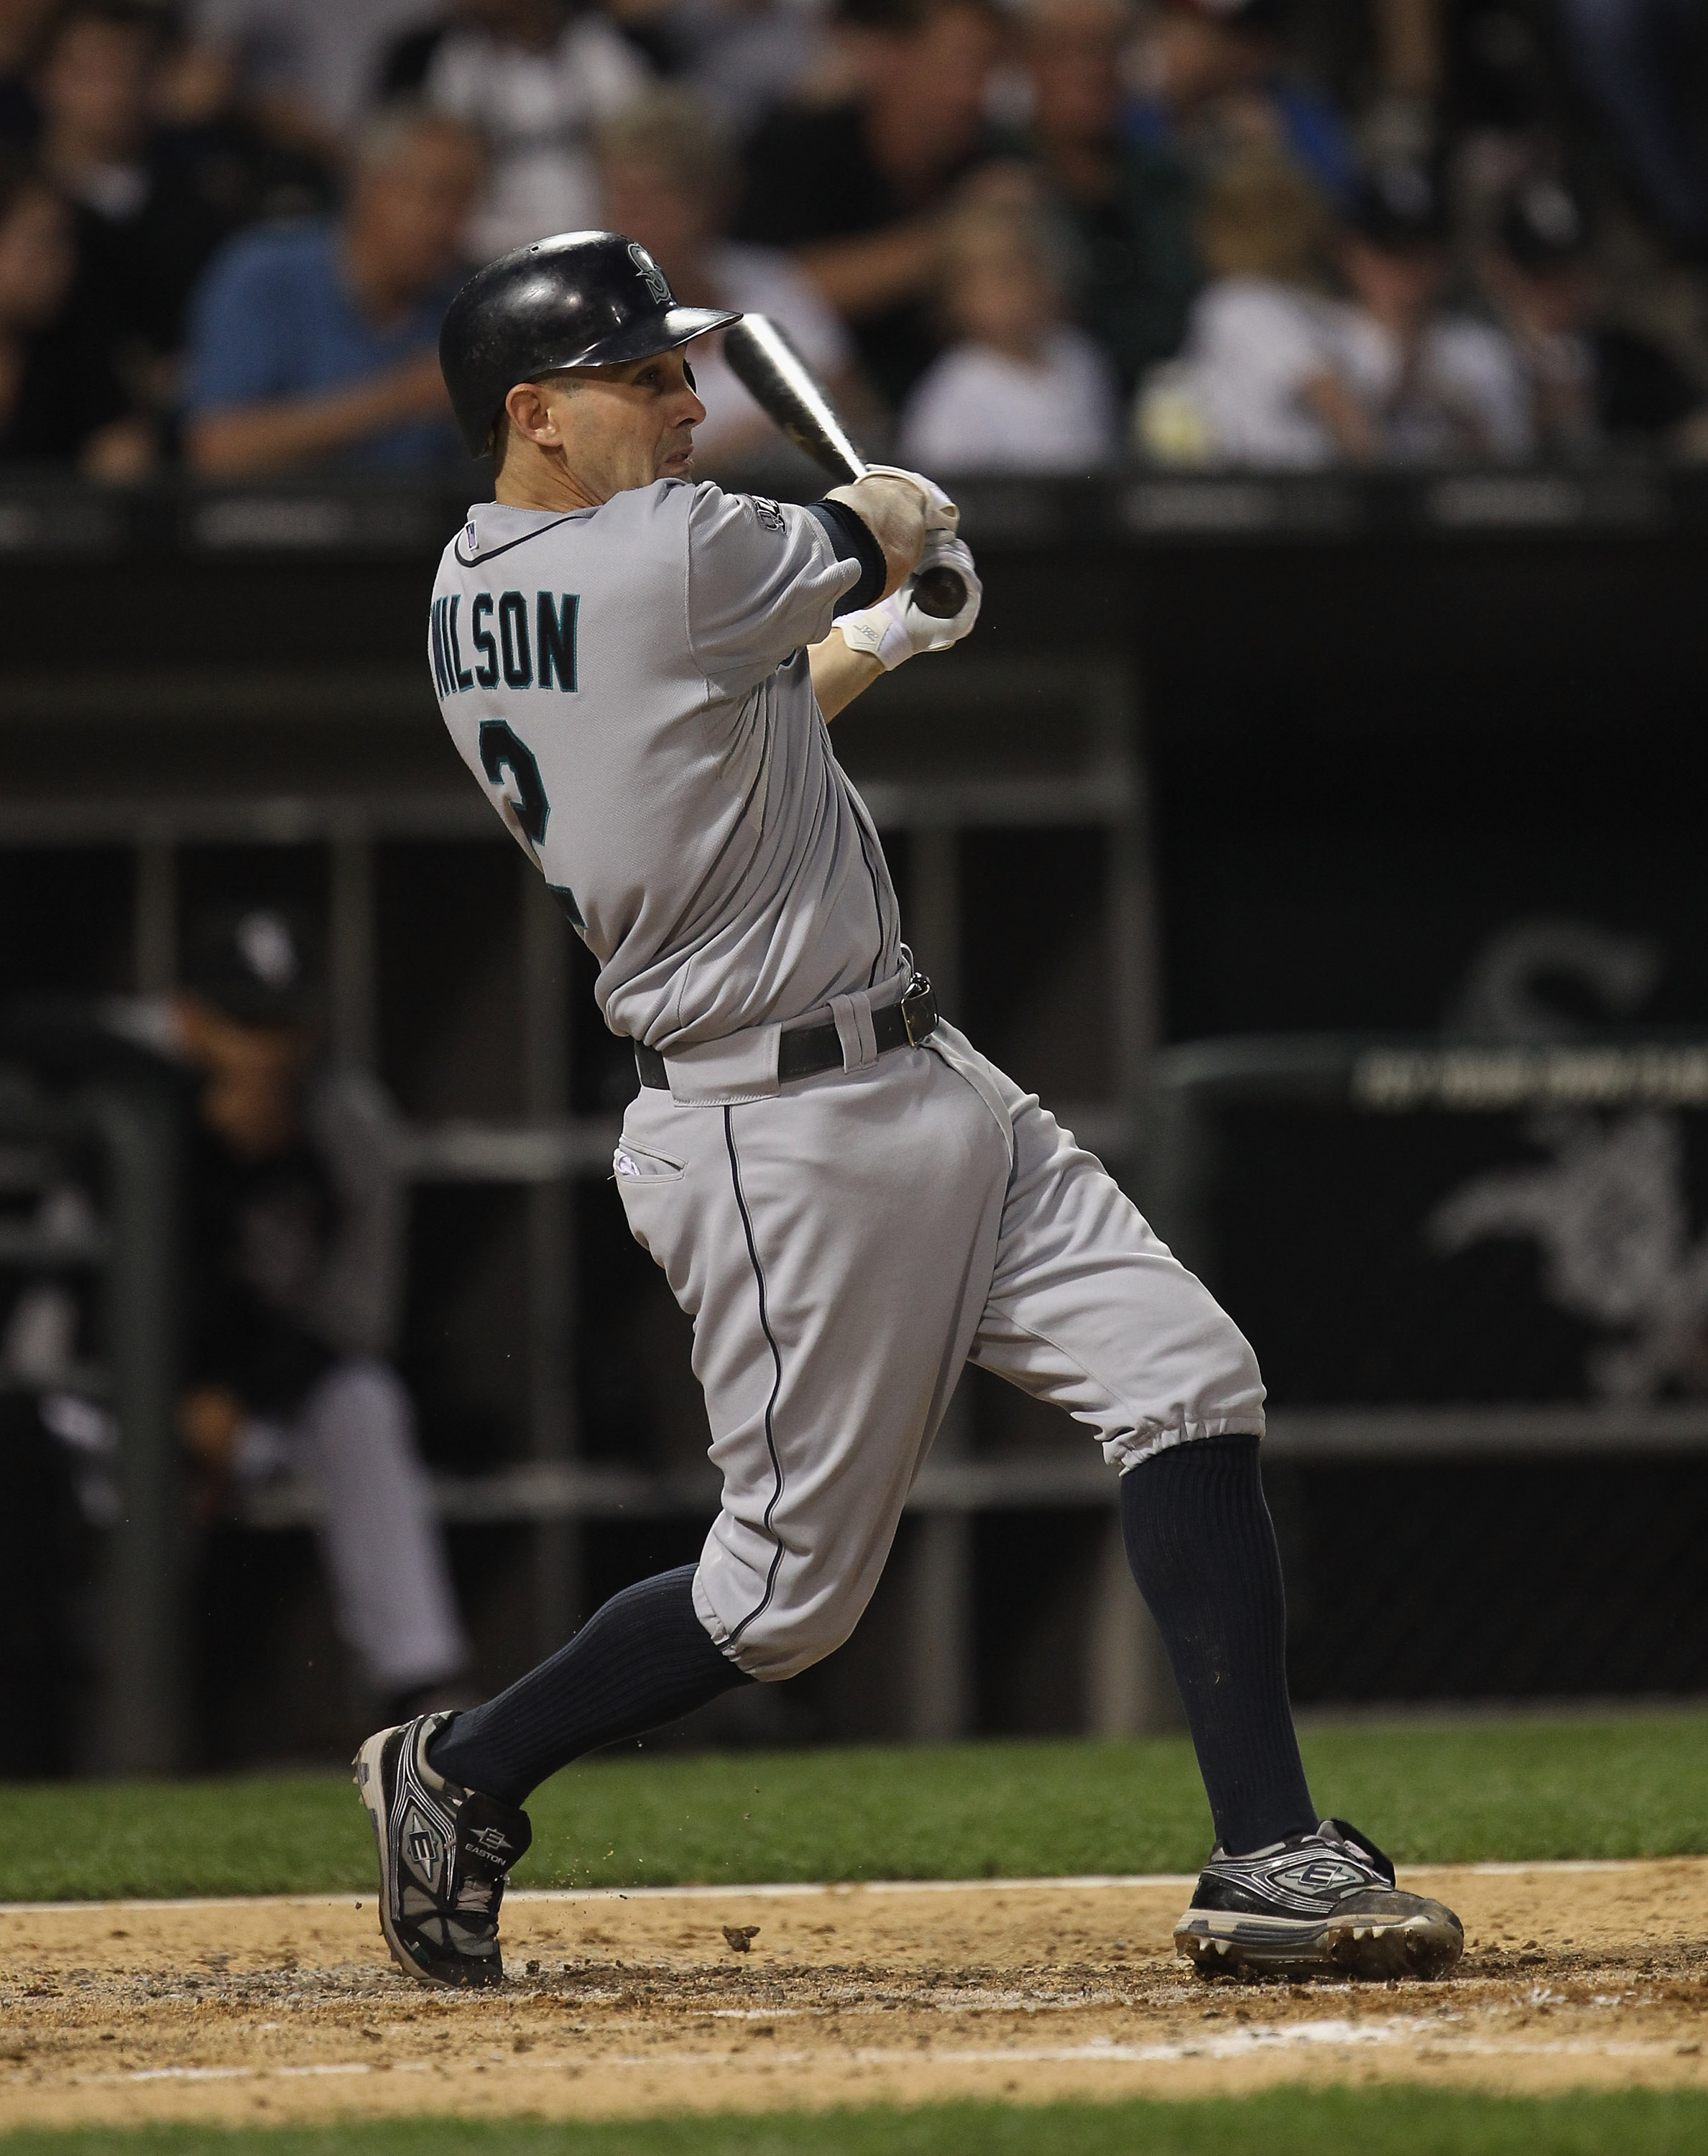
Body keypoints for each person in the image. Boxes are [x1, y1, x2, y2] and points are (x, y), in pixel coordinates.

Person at [351, 226, 1464, 1994]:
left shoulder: (484, 578)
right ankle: (463, 1764)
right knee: (781, 1602)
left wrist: (881, 633)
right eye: (643, 377)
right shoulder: (658, 548)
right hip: (772, 1125)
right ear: (534, 414)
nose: (687, 396)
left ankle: (1263, 1845)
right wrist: (899, 518)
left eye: (681, 363)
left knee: (1186, 1377)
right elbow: (858, 518)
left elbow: (723, 720)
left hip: (920, 1070)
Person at [169, 905, 471, 1725]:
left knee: (364, 1403)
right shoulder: (137, 1113)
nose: (265, 1051)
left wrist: (232, 1399)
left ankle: (422, 1697)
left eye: (283, 1025)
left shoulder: (345, 1123)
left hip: (270, 1407)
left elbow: (352, 1322)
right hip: (124, 1405)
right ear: (190, 1021)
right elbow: (76, 1313)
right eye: (243, 1024)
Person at [29, 0, 333, 395]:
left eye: (131, 72)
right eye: (92, 75)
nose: (114, 94)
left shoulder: (201, 199)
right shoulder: (20, 205)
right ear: (46, 79)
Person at [731, 0, 1007, 411]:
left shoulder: (992, 161)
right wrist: (953, 240)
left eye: (990, 71)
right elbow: (775, 292)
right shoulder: (800, 148)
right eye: (961, 66)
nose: (975, 94)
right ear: (891, 58)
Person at [182, 106, 483, 475]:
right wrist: (403, 397)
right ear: (367, 186)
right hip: (273, 523)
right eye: (435, 194)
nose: (447, 224)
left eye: (463, 203)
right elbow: (218, 449)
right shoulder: (265, 275)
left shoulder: (464, 304)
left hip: (417, 528)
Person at [594, 84, 864, 472]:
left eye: (658, 198)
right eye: (623, 198)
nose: (636, 221)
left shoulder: (774, 285)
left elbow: (848, 406)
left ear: (709, 202)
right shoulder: (590, 327)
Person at [1007, 0, 1199, 395]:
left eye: (1109, 50)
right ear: (1030, 61)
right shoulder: (1000, 175)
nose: (1092, 72)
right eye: (1069, 51)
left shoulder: (1166, 178)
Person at [1135, 147, 1357, 466]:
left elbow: (1344, 395)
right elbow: (1332, 400)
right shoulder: (1242, 303)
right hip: (1272, 497)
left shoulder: (1273, 304)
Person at [379, 0, 650, 261]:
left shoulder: (598, 47)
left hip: (588, 249)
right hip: (476, 255)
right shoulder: (451, 56)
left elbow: (637, 155)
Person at [1480, 171, 1706, 453]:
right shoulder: (1468, 354)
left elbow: (1694, 428)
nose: (1560, 287)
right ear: (1502, 271)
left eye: (1570, 268)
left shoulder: (1627, 357)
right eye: (1541, 272)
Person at [898, 193, 1120, 471]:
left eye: (1025, 268)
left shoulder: (1082, 359)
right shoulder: (954, 391)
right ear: (957, 295)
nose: (1013, 291)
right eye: (996, 276)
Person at [1334, 155, 1531, 463]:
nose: (1407, 272)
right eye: (1391, 252)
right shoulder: (1318, 343)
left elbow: (1515, 475)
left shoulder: (1484, 351)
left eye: (1422, 253)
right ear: (1352, 253)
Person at [0, 156, 151, 470]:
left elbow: (123, 455)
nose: (66, 265)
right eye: (46, 243)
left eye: (68, 244)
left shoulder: (73, 343)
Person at [1126, 0, 1354, 206]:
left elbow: (1343, 201)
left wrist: (1274, 153)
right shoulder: (1137, 120)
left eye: (1188, 29)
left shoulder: (1296, 114)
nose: (1167, 47)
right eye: (1167, 26)